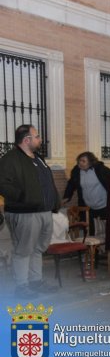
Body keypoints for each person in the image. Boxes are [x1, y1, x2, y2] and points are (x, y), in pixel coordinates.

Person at [0, 124, 61, 297]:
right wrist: (22, 197)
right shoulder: (10, 159)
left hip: (44, 212)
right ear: (27, 140)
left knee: (38, 249)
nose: (40, 139)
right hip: (24, 213)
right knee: (23, 250)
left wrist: (54, 201)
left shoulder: (38, 158)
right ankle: (22, 287)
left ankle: (35, 282)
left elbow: (46, 182)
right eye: (37, 136)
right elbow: (3, 184)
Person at [63, 151, 110, 235]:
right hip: (88, 207)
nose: (80, 163)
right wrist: (66, 197)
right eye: (79, 161)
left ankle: (106, 247)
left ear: (90, 161)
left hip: (104, 205)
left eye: (83, 161)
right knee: (91, 231)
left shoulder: (100, 169)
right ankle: (94, 248)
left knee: (107, 230)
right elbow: (71, 184)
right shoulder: (77, 171)